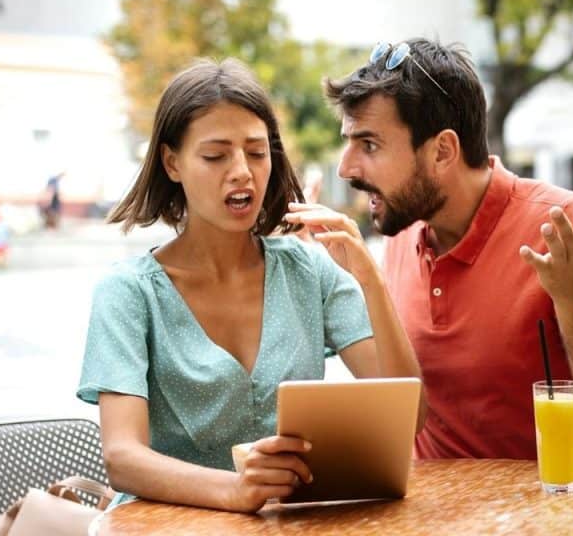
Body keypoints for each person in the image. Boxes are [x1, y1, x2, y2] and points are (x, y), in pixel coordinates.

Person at [76, 58, 423, 513]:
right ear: (171, 162)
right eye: (216, 155)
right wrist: (234, 490)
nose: (242, 171)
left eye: (257, 153)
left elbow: (411, 417)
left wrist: (369, 278)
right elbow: (123, 458)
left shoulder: (307, 271)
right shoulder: (128, 293)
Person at [325, 39, 573, 462]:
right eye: (348, 143)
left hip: (552, 519)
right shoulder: (401, 236)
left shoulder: (567, 228)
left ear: (442, 151)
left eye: (369, 145)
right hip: (431, 519)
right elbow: (401, 406)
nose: (345, 168)